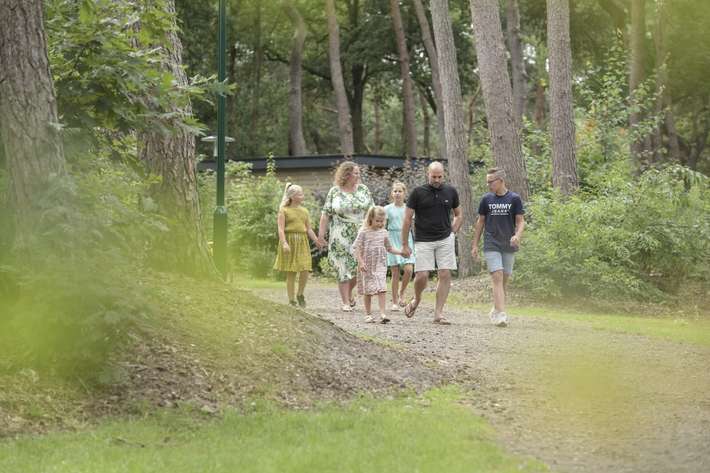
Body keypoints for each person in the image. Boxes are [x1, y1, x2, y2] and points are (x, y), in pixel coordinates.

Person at [400, 162, 462, 325]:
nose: (437, 180)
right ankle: (416, 299)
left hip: (445, 239)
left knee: (445, 274)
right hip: (423, 239)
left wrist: (453, 231)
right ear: (428, 174)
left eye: (439, 177)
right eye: (434, 176)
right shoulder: (417, 193)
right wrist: (405, 244)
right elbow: (407, 219)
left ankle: (438, 313)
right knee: (422, 276)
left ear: (443, 175)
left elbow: (458, 214)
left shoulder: (451, 191)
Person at [471, 167, 525, 327]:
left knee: (504, 280)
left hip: (508, 244)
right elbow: (480, 222)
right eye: (487, 182)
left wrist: (517, 236)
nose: (488, 185)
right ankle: (501, 315)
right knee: (497, 276)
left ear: (501, 181)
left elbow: (521, 221)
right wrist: (475, 244)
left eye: (491, 182)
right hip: (491, 243)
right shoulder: (486, 199)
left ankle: (496, 308)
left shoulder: (514, 198)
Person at [318, 161, 374, 312]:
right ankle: (345, 302)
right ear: (347, 174)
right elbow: (325, 214)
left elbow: (372, 211)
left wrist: (375, 230)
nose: (358, 175)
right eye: (356, 173)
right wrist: (321, 235)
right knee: (342, 267)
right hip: (340, 235)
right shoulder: (334, 191)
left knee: (360, 267)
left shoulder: (363, 190)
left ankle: (348, 292)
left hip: (361, 233)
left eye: (358, 173)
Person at [273, 183, 322, 307]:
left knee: (305, 269)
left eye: (302, 194)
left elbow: (309, 229)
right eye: (300, 194)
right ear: (292, 196)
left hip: (302, 241)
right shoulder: (284, 210)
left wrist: (317, 240)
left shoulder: (304, 211)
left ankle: (300, 294)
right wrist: (284, 243)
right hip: (289, 241)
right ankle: (291, 300)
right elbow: (280, 229)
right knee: (291, 272)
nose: (302, 196)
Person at [352, 206, 403, 323]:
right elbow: (357, 248)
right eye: (377, 221)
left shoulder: (384, 233)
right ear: (370, 219)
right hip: (367, 265)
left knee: (382, 288)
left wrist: (401, 252)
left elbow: (389, 248)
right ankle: (368, 314)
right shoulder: (363, 232)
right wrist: (361, 262)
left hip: (380, 264)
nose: (380, 223)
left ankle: (383, 314)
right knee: (368, 290)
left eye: (382, 221)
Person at [384, 181, 415, 311]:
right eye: (395, 191)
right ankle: (395, 301)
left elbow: (412, 225)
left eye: (400, 191)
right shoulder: (387, 209)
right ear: (392, 193)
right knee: (395, 272)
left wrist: (416, 241)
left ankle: (401, 292)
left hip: (406, 239)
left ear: (404, 193)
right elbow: (383, 226)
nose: (397, 193)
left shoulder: (409, 208)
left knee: (409, 269)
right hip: (392, 239)